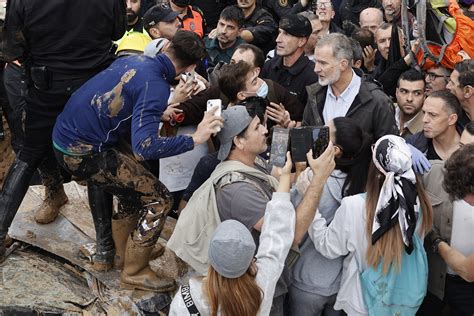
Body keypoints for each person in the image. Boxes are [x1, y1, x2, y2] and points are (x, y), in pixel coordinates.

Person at [52, 31, 222, 291]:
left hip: (65, 138)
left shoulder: (137, 61)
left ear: (166, 46)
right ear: (190, 68)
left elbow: (125, 100)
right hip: (81, 152)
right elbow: (144, 147)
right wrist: (195, 139)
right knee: (159, 199)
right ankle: (135, 270)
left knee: (134, 189)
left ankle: (124, 254)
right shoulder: (155, 84)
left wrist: (159, 112)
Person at [168, 105, 335, 314]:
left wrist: (302, 169)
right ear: (239, 141)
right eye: (258, 127)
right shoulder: (238, 192)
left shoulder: (252, 161)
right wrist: (318, 181)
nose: (266, 130)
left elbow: (283, 177)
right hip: (255, 291)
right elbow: (289, 235)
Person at [0, 0, 127, 263]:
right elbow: (118, 30)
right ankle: (104, 249)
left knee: (29, 154)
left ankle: (105, 248)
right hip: (92, 84)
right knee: (93, 157)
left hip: (51, 84)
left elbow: (12, 47)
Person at [309, 135, 433, 315]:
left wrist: (311, 204)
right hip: (403, 302)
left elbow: (328, 247)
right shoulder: (419, 204)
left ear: (375, 169)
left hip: (361, 303)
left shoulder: (354, 206)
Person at [169, 155, 295, 315]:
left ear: (211, 259)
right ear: (251, 261)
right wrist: (285, 177)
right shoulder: (262, 284)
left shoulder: (189, 297)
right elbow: (277, 234)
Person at [289, 117, 372, 316]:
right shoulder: (362, 184)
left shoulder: (313, 182)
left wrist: (300, 174)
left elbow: (290, 221)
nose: (318, 136)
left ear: (335, 151)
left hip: (306, 282)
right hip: (339, 283)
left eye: (325, 135)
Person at [303, 33, 398, 143]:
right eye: (316, 62)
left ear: (343, 64)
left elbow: (389, 151)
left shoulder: (377, 101)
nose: (316, 69)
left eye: (323, 63)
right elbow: (307, 136)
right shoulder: (315, 94)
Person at [418, 143, 474, 315]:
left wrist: (435, 240)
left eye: (465, 196)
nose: (465, 202)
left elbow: (467, 271)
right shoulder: (433, 171)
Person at [262, 14, 318, 114]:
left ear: (301, 41)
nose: (278, 39)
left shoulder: (313, 76)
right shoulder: (268, 66)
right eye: (279, 32)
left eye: (286, 34)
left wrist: (291, 124)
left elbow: (313, 119)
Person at [408, 91, 462, 161]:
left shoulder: (470, 144)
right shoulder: (413, 144)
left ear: (452, 119)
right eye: (424, 113)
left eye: (433, 115)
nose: (424, 120)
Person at [395, 69, 425, 138]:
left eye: (417, 93)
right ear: (396, 92)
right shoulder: (385, 111)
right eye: (404, 91)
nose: (409, 99)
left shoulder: (427, 126)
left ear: (424, 96)